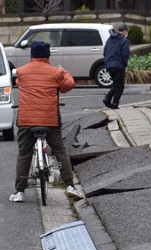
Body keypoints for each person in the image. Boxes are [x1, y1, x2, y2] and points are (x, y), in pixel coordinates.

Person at [9, 41, 84, 202]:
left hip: (26, 120)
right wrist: (63, 71)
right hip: (50, 120)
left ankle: (19, 192)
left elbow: (19, 83)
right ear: (48, 56)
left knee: (24, 154)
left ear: (31, 56)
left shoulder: (21, 72)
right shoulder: (55, 72)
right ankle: (71, 186)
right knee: (60, 150)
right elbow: (67, 86)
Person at [102, 23, 130, 109]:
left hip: (109, 65)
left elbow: (105, 52)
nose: (127, 33)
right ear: (125, 31)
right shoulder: (123, 40)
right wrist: (124, 64)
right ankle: (114, 103)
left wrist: (108, 62)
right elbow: (125, 54)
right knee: (120, 86)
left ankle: (108, 99)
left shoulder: (109, 39)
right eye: (127, 31)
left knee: (116, 84)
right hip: (119, 66)